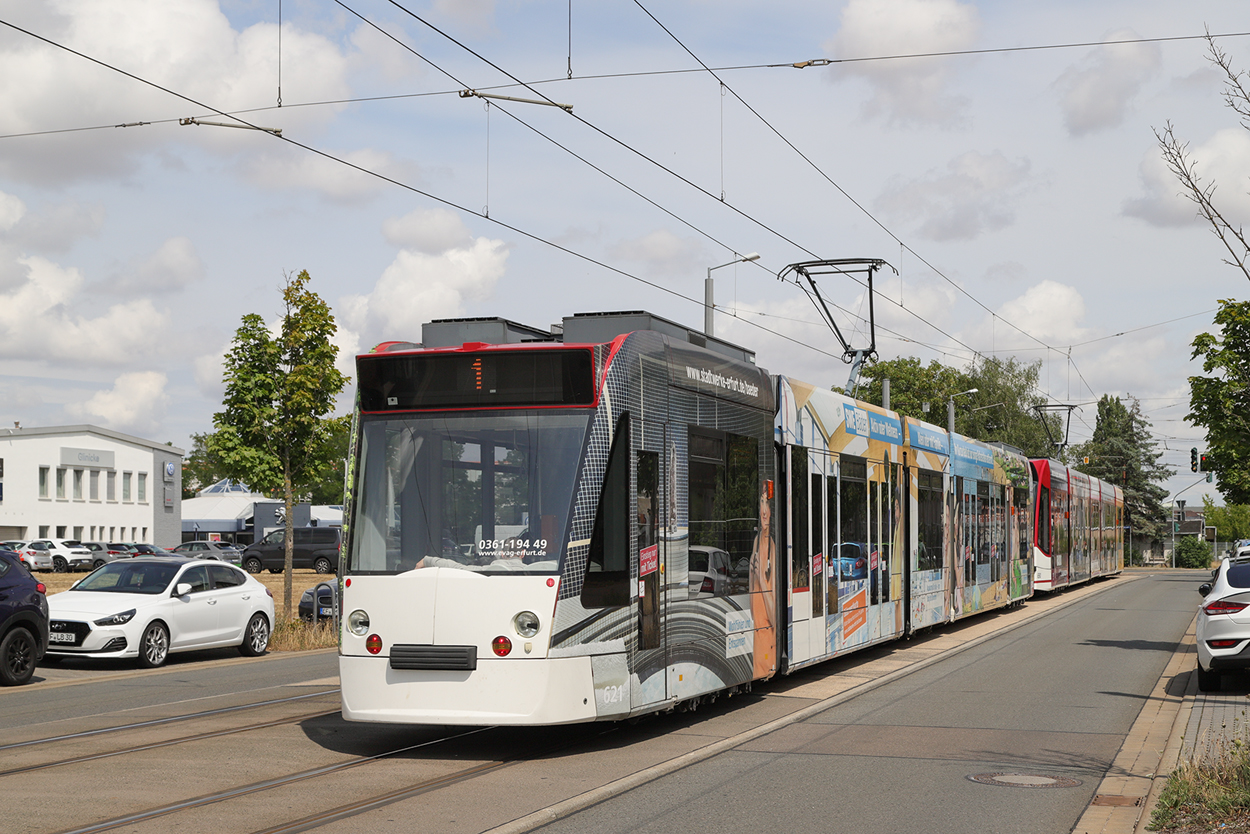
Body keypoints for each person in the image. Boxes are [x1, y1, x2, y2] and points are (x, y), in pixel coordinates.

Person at [750, 483, 777, 678]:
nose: (764, 511)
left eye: (767, 505)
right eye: (761, 503)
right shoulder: (757, 540)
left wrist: (760, 576)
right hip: (756, 639)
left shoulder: (773, 547)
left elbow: (775, 616)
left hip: (767, 638)